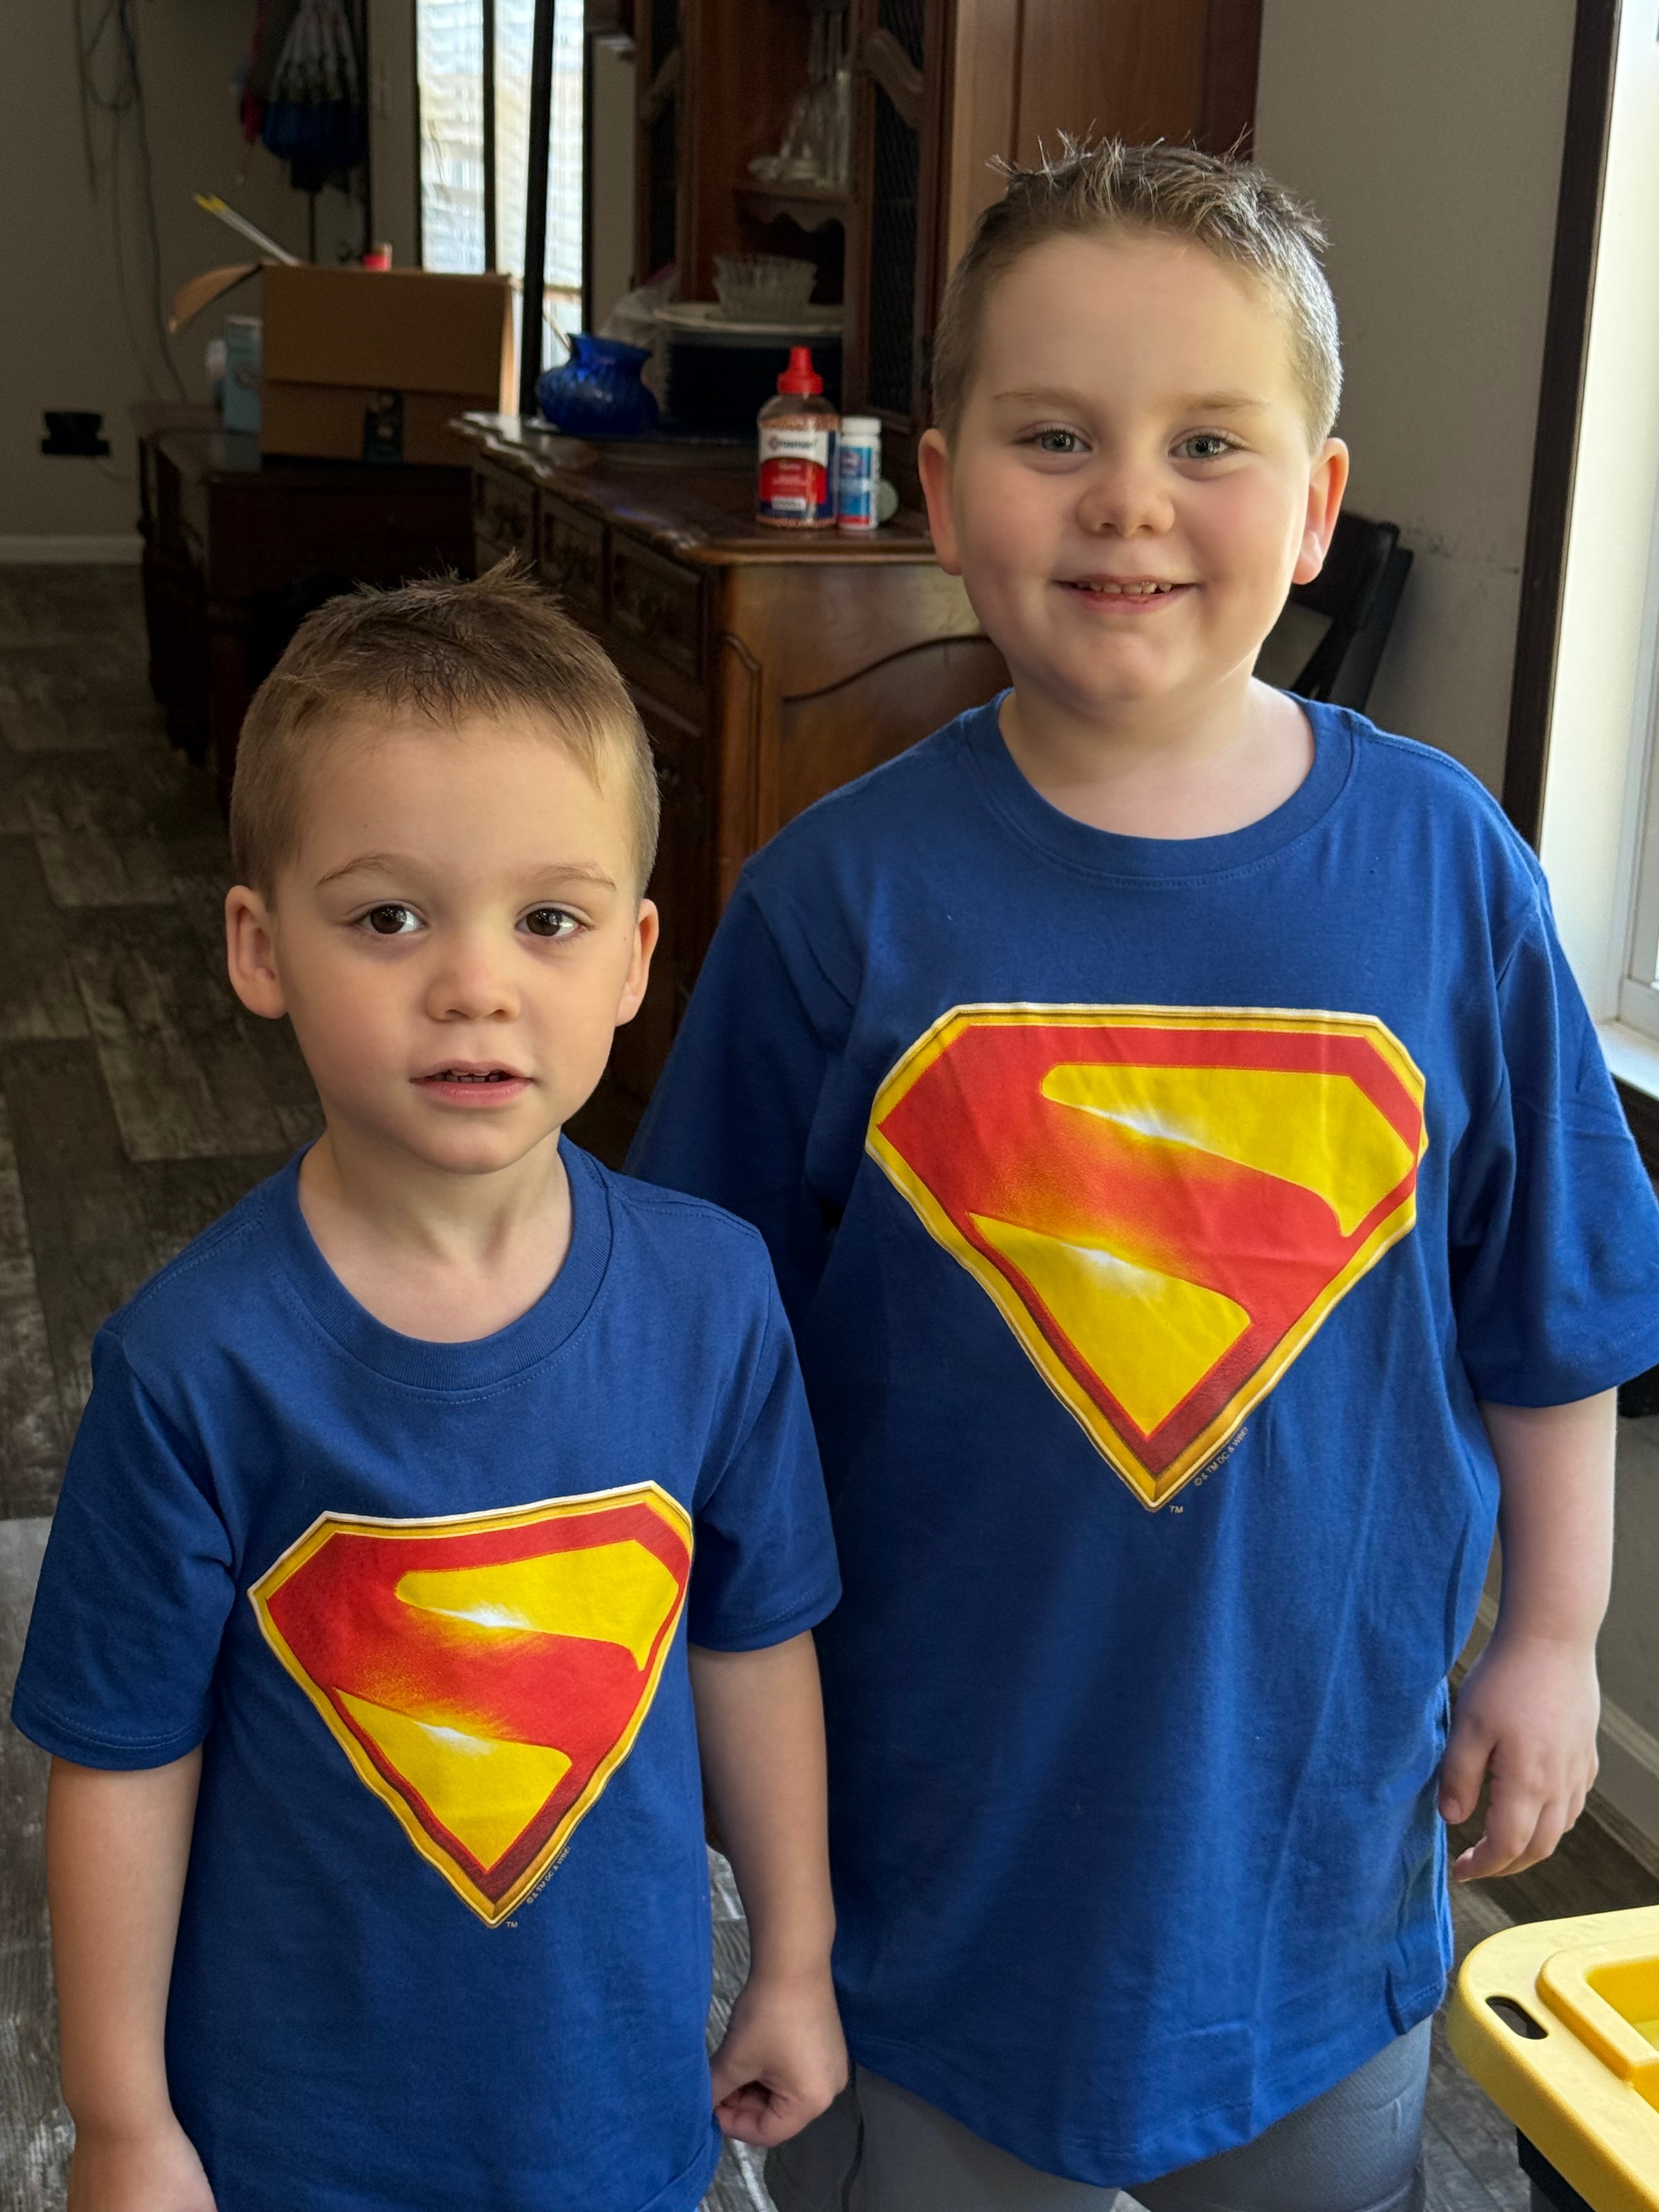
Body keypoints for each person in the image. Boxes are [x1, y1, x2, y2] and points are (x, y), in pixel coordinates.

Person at [626, 140, 1659, 2211]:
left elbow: (1554, 1314)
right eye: (1055, 438)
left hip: (1316, 1858)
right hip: (928, 1872)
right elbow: (696, 1385)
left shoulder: (1451, 874)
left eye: (1206, 441)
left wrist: (1555, 1642)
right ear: (942, 491)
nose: (1126, 500)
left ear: (1316, 505)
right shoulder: (834, 906)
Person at [10, 567, 847, 2212]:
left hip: (617, 2120)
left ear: (635, 957)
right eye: (390, 917)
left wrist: (797, 1959)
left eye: (549, 921)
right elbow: (120, 1762)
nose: (476, 983)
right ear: (261, 947)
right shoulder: (192, 1366)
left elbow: (756, 1646)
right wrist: (120, 2122)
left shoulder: (714, 1299)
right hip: (293, 2146)